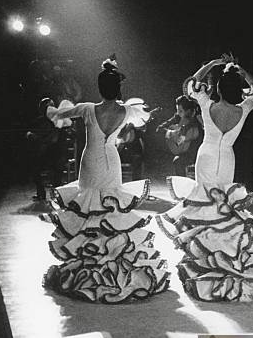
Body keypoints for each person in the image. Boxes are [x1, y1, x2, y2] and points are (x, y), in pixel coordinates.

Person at [157, 54, 253, 302]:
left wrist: (214, 64)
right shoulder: (243, 109)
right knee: (224, 209)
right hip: (227, 159)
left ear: (217, 87)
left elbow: (190, 85)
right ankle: (226, 254)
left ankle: (205, 258)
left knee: (205, 206)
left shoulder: (207, 104)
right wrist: (239, 69)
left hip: (206, 156)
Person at [41, 56, 170, 303]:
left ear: (100, 88)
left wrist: (48, 106)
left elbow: (59, 114)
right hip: (113, 160)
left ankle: (89, 261)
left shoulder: (88, 108)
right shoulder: (126, 110)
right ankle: (115, 260)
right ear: (118, 89)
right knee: (112, 207)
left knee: (89, 207)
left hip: (91, 160)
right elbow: (143, 117)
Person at [26, 97, 67, 201]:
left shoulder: (58, 119)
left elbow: (52, 139)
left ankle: (57, 196)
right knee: (35, 165)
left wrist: (35, 137)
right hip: (49, 153)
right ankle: (42, 193)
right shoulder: (43, 121)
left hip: (56, 154)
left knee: (51, 167)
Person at [157, 95, 202, 177]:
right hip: (183, 151)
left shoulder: (198, 118)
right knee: (177, 161)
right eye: (177, 110)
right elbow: (159, 129)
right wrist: (171, 133)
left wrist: (185, 132)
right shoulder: (177, 117)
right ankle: (182, 187)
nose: (178, 113)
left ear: (188, 111)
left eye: (180, 111)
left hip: (198, 151)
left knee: (178, 161)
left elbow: (197, 134)